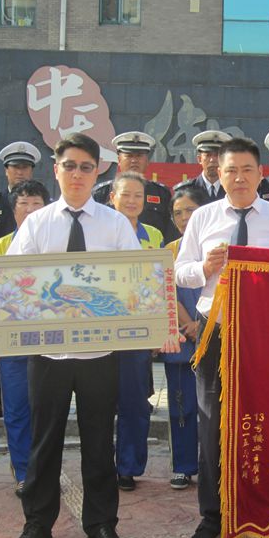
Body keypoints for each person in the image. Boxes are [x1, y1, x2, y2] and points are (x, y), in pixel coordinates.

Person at [0, 133, 141, 538]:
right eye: (70, 166)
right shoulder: (37, 224)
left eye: (86, 167)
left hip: (99, 355)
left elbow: (135, 281)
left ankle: (102, 524)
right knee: (44, 441)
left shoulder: (115, 224)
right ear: (56, 170)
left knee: (99, 440)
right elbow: (14, 283)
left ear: (98, 172)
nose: (77, 174)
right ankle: (37, 523)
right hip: (49, 355)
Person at [175, 137, 269, 538]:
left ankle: (265, 516)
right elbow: (180, 271)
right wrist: (204, 268)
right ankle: (212, 517)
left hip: (266, 330)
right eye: (230, 170)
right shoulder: (204, 217)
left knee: (266, 420)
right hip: (215, 326)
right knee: (211, 420)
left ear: (261, 174)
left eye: (247, 170)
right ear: (219, 173)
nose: (238, 178)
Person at [0, 180, 51, 497]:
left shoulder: (56, 244)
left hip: (49, 343)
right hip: (12, 343)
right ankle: (24, 473)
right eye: (23, 204)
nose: (29, 210)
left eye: (36, 204)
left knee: (47, 411)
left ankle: (45, 471)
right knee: (16, 409)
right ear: (13, 211)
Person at [0, 141, 42, 418]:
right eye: (15, 167)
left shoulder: (44, 207)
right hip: (3, 289)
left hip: (36, 296)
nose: (20, 172)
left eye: (25, 167)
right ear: (6, 170)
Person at [108, 171, 164, 491]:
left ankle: (127, 467)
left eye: (138, 196)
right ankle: (102, 465)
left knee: (135, 402)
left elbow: (161, 285)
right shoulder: (98, 231)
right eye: (125, 194)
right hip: (101, 332)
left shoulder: (153, 236)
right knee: (100, 403)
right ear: (112, 198)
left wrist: (159, 329)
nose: (131, 201)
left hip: (138, 333)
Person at [163, 185, 205, 489]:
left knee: (215, 407)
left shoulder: (219, 247)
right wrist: (189, 323)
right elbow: (167, 292)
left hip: (215, 334)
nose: (184, 217)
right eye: (178, 213)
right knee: (182, 405)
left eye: (190, 210)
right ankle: (183, 465)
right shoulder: (169, 251)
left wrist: (203, 324)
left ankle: (216, 465)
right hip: (182, 340)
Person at [91, 131, 177, 242]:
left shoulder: (161, 193)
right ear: (119, 160)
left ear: (147, 161)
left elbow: (170, 236)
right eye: (129, 156)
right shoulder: (101, 193)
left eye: (139, 156)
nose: (134, 161)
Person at [172, 130, 232, 203]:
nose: (212, 160)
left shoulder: (233, 190)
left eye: (217, 155)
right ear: (199, 159)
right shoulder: (185, 191)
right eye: (208, 155)